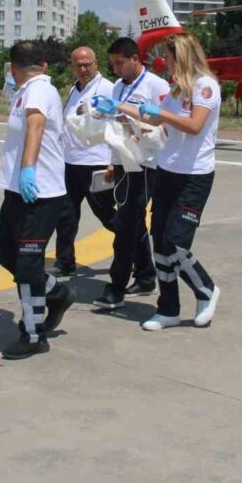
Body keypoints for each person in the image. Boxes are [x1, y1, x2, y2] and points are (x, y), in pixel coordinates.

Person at [106, 32, 221, 331]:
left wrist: (163, 114)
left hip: (194, 176)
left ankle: (206, 290)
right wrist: (118, 107)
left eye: (168, 58)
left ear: (182, 57)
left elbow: (195, 125)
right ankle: (168, 308)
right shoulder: (174, 91)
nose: (164, 63)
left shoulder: (205, 87)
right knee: (160, 242)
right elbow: (152, 118)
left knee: (176, 243)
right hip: (166, 172)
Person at [0, 40, 76, 359]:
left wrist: (28, 169)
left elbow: (36, 125)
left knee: (28, 266)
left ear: (14, 69)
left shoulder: (40, 89)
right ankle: (58, 293)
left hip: (39, 193)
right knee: (6, 255)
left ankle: (33, 334)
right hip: (17, 192)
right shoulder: (23, 91)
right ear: (42, 64)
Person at [91, 37, 170, 310]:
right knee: (132, 222)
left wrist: (137, 123)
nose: (116, 69)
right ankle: (146, 276)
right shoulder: (117, 87)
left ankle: (116, 287)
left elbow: (164, 124)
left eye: (120, 63)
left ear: (135, 59)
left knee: (127, 225)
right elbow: (117, 124)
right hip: (125, 161)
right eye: (112, 64)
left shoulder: (157, 85)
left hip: (149, 164)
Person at [50, 46, 116, 276]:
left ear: (96, 64)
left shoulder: (108, 88)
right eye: (78, 65)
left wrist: (113, 161)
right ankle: (65, 261)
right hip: (71, 163)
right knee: (65, 215)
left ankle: (139, 256)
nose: (83, 69)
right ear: (72, 67)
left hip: (98, 164)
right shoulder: (74, 90)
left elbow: (119, 124)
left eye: (87, 64)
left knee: (108, 216)